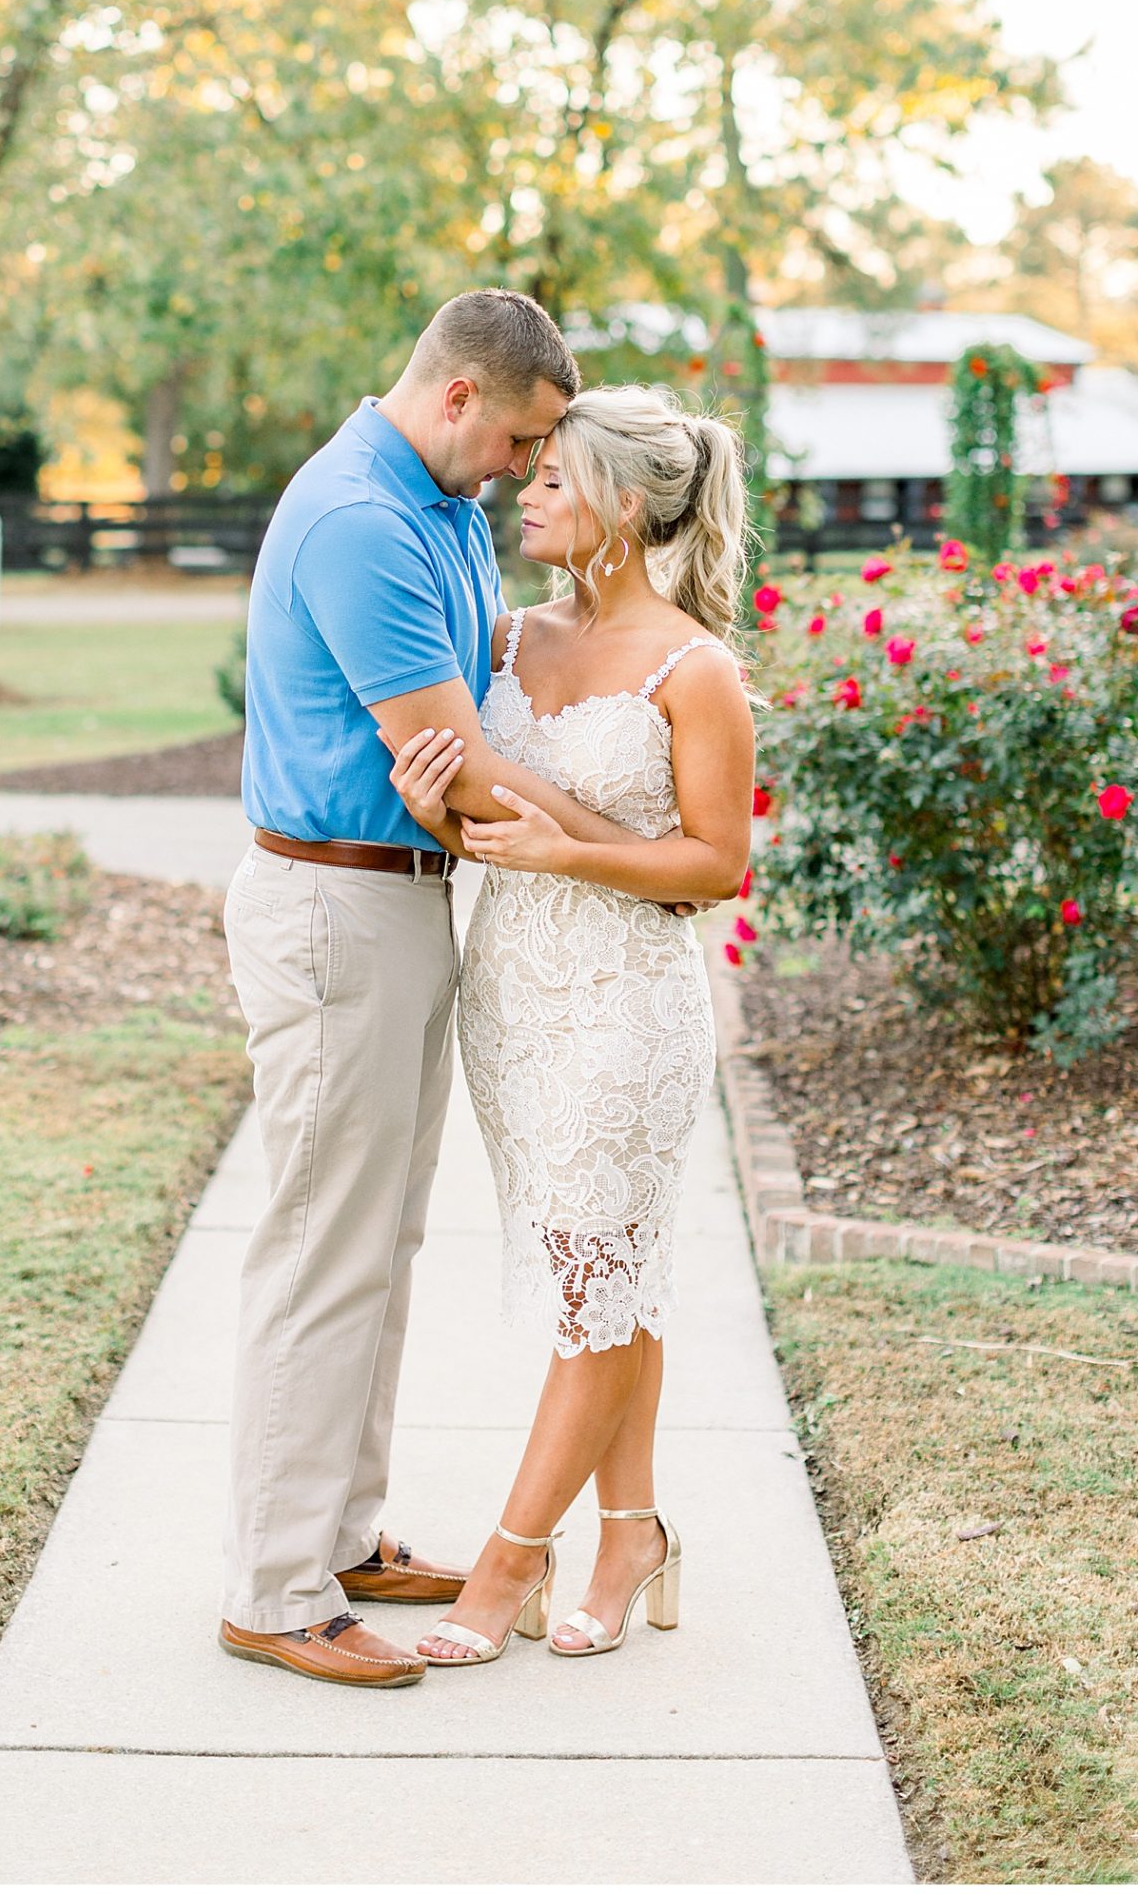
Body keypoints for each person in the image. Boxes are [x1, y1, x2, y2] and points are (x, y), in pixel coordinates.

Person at [218, 291, 661, 1690]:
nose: (525, 470)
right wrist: (625, 849)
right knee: (320, 1250)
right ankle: (274, 1589)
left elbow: (474, 734)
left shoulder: (441, 513)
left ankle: (341, 1538)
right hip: (333, 904)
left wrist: (497, 784)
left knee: (379, 1244)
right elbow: (459, 763)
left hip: (405, 901)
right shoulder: (360, 518)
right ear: (461, 393)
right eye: (523, 437)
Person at [385, 385, 754, 1666]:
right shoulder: (505, 638)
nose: (525, 489)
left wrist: (566, 849)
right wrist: (434, 804)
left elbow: (714, 867)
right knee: (614, 1274)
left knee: (590, 1280)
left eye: (553, 477)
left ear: (628, 505)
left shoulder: (695, 669)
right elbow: (492, 825)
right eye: (528, 471)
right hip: (512, 999)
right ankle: (633, 1530)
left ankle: (508, 1564)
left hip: (627, 1007)